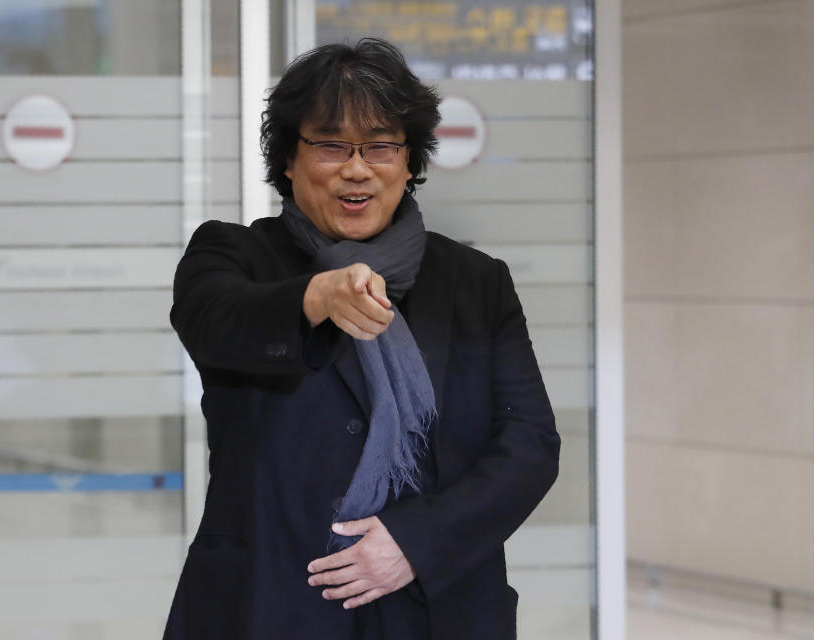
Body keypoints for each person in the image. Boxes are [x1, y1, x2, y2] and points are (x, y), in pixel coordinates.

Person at [162, 38, 560, 640]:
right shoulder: (234, 255)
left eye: (379, 146)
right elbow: (216, 319)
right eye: (329, 144)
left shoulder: (474, 282)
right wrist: (316, 297)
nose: (357, 168)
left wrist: (418, 541)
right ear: (290, 160)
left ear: (409, 161)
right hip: (268, 603)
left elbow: (529, 443)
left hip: (435, 605)